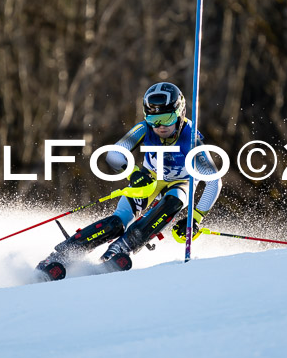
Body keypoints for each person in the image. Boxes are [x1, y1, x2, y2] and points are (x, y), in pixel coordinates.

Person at [36, 82, 222, 281]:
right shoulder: (144, 128)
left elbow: (214, 182)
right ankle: (59, 257)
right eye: (152, 119)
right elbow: (114, 154)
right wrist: (133, 173)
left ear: (180, 113)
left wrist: (194, 219)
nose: (159, 126)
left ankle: (118, 250)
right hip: (151, 180)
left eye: (165, 118)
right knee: (115, 223)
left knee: (173, 200)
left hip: (181, 184)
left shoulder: (191, 139)